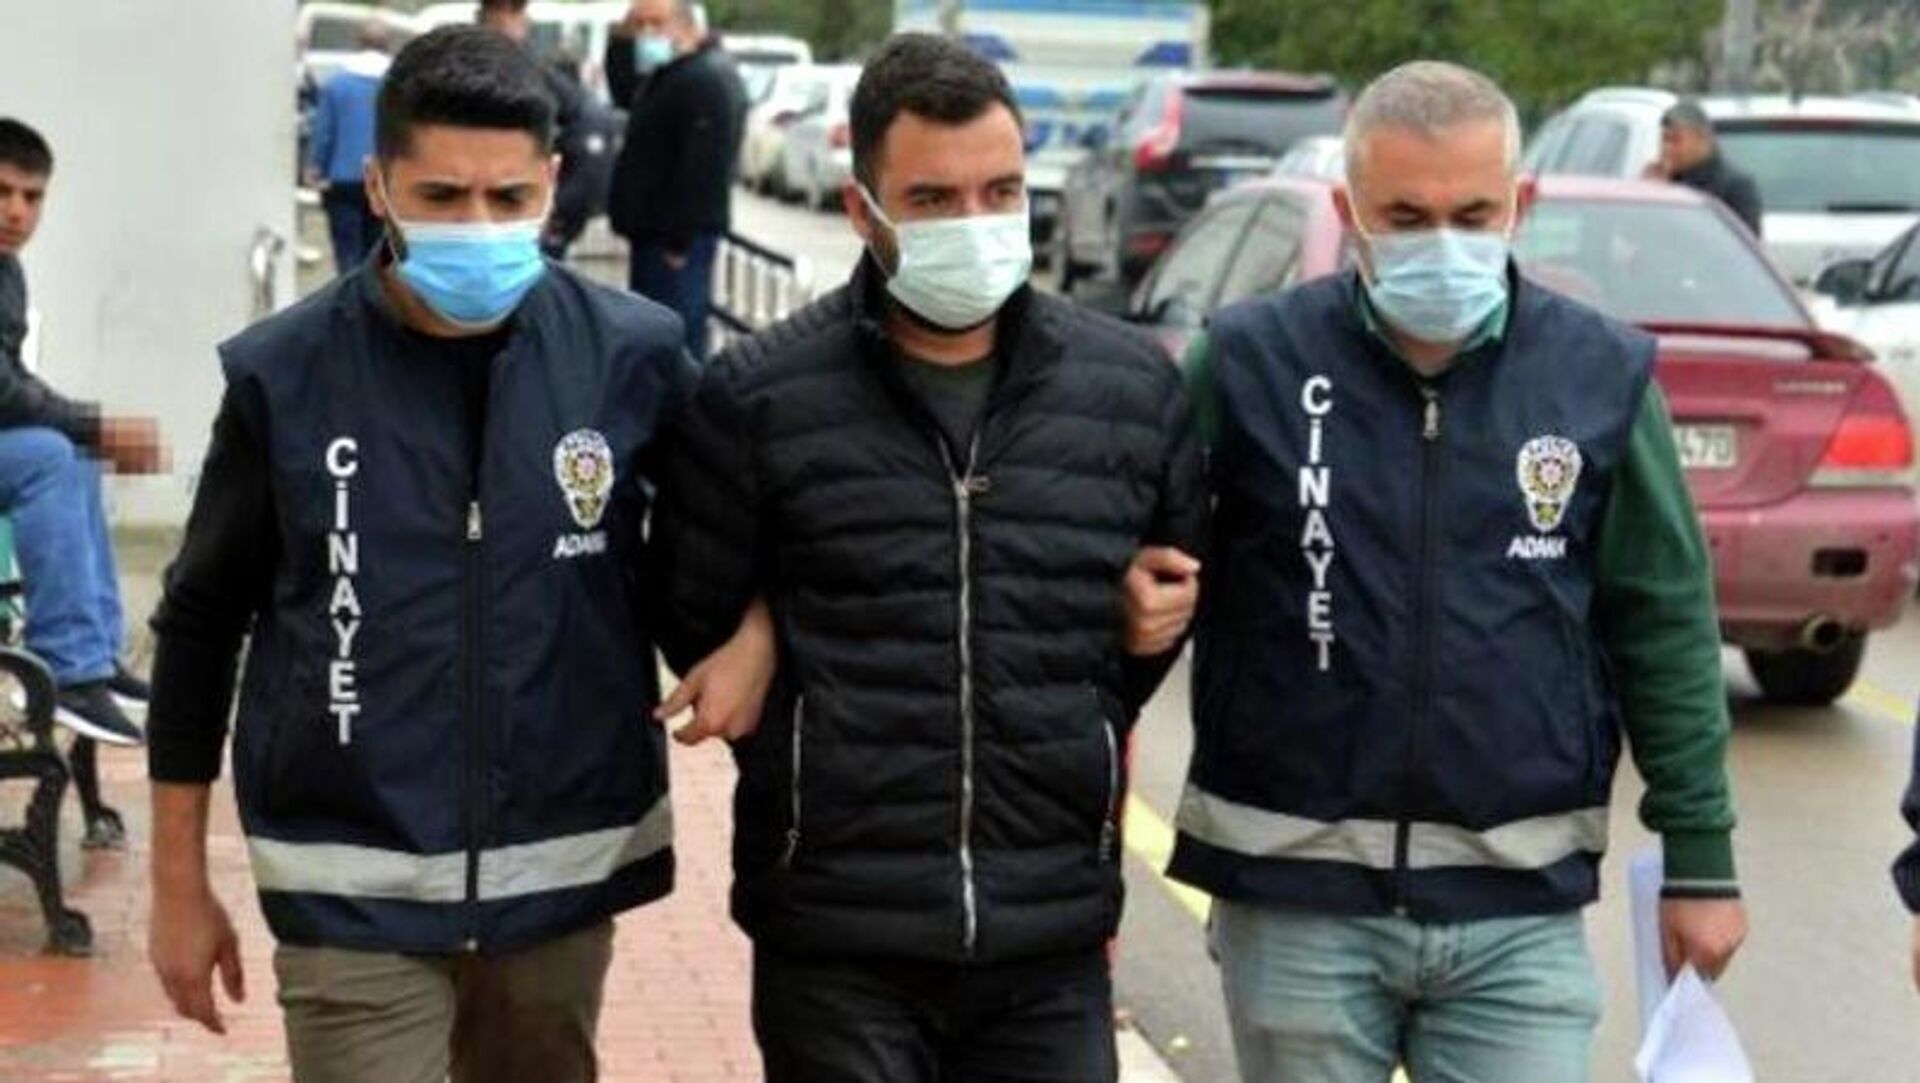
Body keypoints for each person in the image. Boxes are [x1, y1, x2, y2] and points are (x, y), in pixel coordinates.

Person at [143, 28, 763, 1083]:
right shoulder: (285, 376)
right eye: (441, 196)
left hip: (560, 872)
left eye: (508, 197)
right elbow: (200, 622)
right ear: (378, 184)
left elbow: (757, 522)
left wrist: (756, 632)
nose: (478, 226)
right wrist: (176, 884)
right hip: (348, 880)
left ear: (553, 183)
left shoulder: (633, 356)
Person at [1167, 61, 1748, 1083]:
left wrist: (1701, 860)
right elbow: (1137, 583)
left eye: (1473, 214)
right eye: (1406, 215)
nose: (1442, 241)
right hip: (1295, 902)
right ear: (1349, 211)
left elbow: (1663, 622)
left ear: (1521, 203)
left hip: (1517, 913)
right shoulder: (1248, 362)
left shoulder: (1600, 376)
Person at [650, 33, 1206, 1083]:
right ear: (863, 211)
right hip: (836, 937)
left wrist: (1128, 642)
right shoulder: (759, 399)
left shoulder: (1132, 392)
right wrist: (772, 638)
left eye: (1000, 192)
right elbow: (694, 609)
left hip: (1048, 935)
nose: (974, 222)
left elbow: (1155, 621)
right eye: (934, 199)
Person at [0, 117, 162, 747]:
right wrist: (95, 424)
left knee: (74, 453)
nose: (17, 211)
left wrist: (91, 431)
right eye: (3, 192)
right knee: (51, 456)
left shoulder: (7, 269)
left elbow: (13, 382)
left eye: (32, 197)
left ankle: (92, 659)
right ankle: (66, 672)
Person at [607, 0, 745, 361]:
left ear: (686, 26)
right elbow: (623, 91)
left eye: (656, 23)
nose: (646, 34)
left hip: (675, 243)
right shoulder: (667, 75)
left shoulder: (703, 79)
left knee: (675, 341)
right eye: (639, 24)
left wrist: (679, 243)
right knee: (652, 334)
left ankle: (682, 399)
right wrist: (621, 38)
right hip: (653, 235)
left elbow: (703, 167)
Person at [476, 0, 621, 259]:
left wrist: (560, 210)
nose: (505, 19)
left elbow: (592, 126)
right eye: (498, 9)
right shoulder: (463, 68)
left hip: (520, 216)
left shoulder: (538, 75)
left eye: (514, 10)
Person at [306, 23, 390, 274]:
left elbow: (325, 131)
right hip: (384, 178)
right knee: (378, 250)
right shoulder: (397, 86)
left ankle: (350, 291)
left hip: (343, 178)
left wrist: (315, 166)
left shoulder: (336, 84)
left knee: (347, 250)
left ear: (358, 44)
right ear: (386, 46)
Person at [1644, 99, 1762, 236]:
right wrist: (1648, 194)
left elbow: (1739, 243)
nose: (1667, 148)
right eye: (1664, 139)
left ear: (1703, 138)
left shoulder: (1734, 186)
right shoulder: (1665, 180)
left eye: (1676, 140)